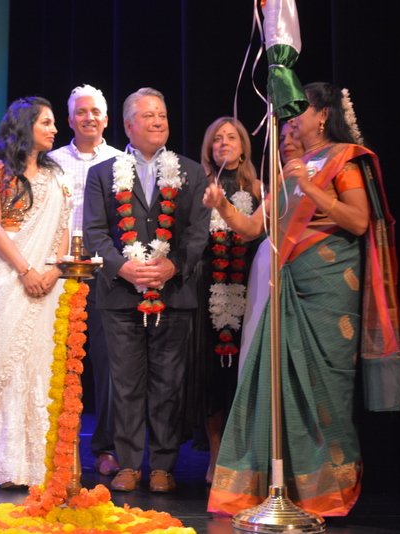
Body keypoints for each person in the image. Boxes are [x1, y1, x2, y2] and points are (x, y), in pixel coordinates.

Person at [205, 82, 400, 516]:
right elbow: (252, 228)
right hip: (286, 285)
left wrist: (310, 187)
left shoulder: (344, 160)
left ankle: (327, 492)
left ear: (323, 115)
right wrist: (222, 205)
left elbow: (358, 221)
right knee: (275, 386)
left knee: (323, 389)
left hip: (327, 290)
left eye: (300, 110)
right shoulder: (288, 169)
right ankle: (276, 488)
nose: (292, 119)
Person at [83, 87, 210, 493]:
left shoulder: (191, 171)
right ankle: (127, 463)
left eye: (163, 115)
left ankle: (163, 466)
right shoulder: (102, 173)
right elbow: (95, 233)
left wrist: (174, 265)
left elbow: (198, 231)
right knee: (125, 384)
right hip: (120, 295)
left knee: (168, 383)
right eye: (148, 115)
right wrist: (124, 267)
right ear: (128, 125)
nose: (158, 122)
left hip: (173, 294)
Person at [0, 96, 71, 488]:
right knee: (10, 365)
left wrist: (53, 270)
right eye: (46, 122)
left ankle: (41, 466)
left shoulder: (57, 175)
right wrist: (25, 270)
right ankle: (10, 464)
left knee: (41, 365)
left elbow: (65, 227)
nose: (54, 129)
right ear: (25, 124)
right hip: (9, 276)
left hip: (49, 281)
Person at [47, 84, 122, 476]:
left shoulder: (120, 162)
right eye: (81, 112)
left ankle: (107, 446)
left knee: (108, 363)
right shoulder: (51, 161)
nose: (88, 118)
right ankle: (59, 446)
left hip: (105, 274)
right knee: (58, 362)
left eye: (95, 111)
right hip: (59, 273)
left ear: (106, 119)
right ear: (70, 119)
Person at [186, 116, 263, 485]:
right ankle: (216, 453)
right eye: (217, 138)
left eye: (231, 137)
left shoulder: (259, 189)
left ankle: (244, 452)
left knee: (241, 370)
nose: (224, 143)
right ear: (208, 147)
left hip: (248, 286)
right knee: (211, 371)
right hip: (207, 288)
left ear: (244, 147)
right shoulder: (200, 187)